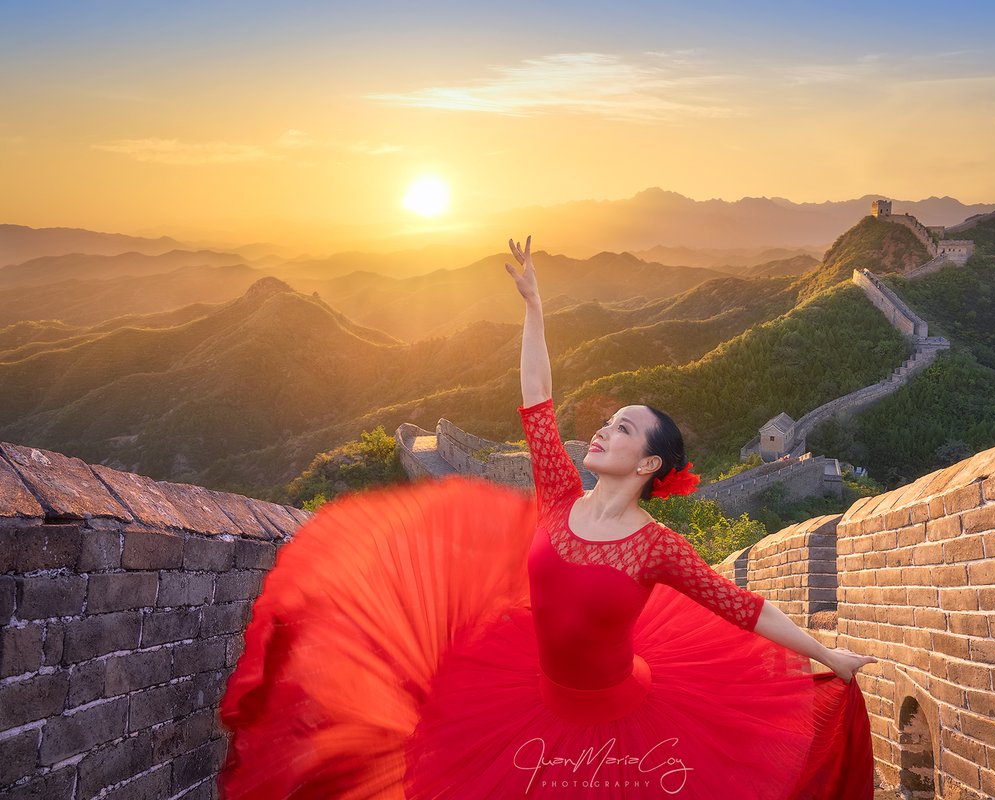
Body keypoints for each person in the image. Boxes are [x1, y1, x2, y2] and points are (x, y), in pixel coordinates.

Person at [218, 235, 879, 799]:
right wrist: (536, 309)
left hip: (621, 725)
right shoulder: (561, 492)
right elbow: (537, 396)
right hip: (528, 695)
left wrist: (827, 655)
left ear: (649, 465)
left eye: (623, 430)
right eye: (607, 421)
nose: (603, 430)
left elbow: (745, 608)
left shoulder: (656, 547)